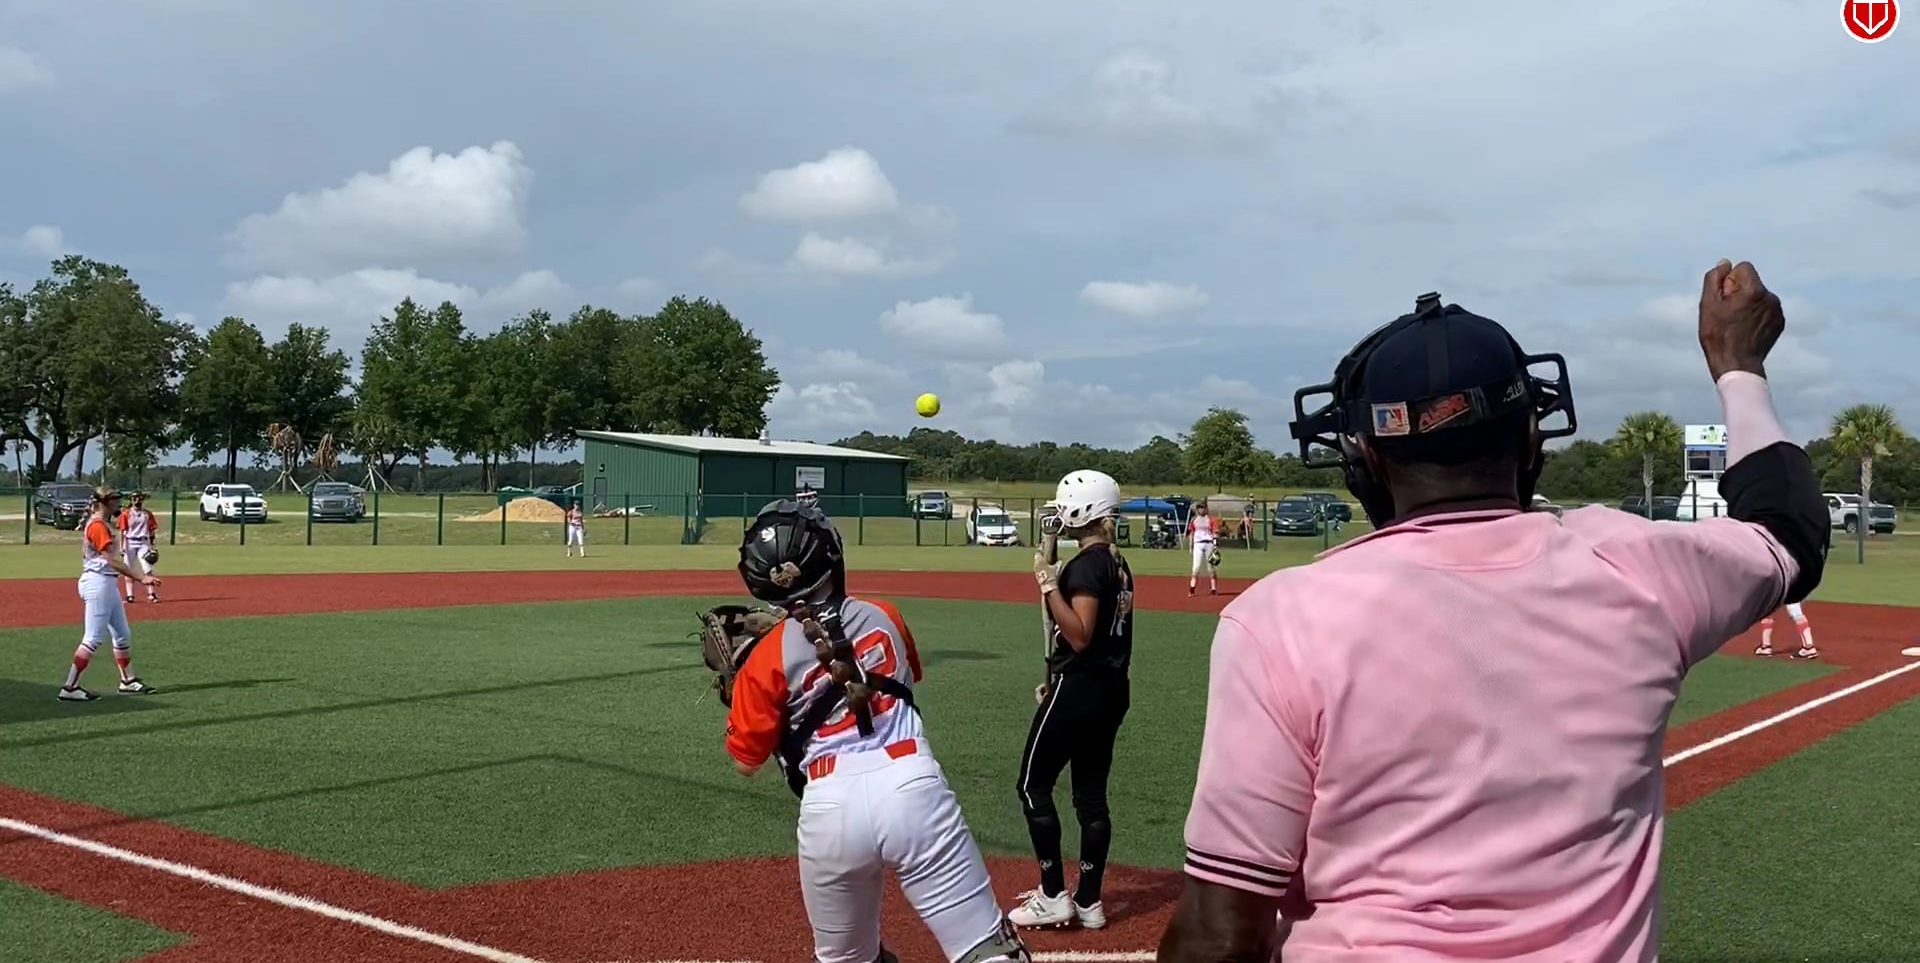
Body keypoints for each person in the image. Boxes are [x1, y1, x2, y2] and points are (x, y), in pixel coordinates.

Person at [1157, 261, 1829, 961]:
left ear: (1368, 457)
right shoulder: (1635, 566)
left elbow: (1219, 932)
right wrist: (1738, 365)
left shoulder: (1282, 618)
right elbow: (1789, 532)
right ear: (1532, 438)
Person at [724, 500, 1030, 963]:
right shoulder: (885, 613)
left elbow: (745, 762)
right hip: (913, 788)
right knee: (987, 951)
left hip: (828, 809)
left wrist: (749, 688)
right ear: (831, 556)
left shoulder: (764, 659)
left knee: (846, 959)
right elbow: (899, 676)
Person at [1009, 470, 1134, 932]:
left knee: (1032, 786)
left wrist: (1047, 584)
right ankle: (1088, 900)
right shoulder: (1117, 563)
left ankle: (1052, 895)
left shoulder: (1087, 566)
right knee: (1091, 798)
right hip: (1110, 690)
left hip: (1080, 686)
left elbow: (1079, 635)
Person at [60, 488, 162, 702]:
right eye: (114, 499)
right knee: (93, 638)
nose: (118, 503)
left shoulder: (103, 523)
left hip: (106, 583)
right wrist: (141, 577)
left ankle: (127, 681)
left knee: (122, 634)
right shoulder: (97, 525)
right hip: (98, 583)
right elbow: (111, 560)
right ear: (104, 502)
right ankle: (70, 687)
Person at [117, 490, 161, 604]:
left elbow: (152, 531)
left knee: (147, 568)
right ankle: (130, 595)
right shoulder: (126, 514)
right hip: (130, 542)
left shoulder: (147, 514)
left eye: (139, 498)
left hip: (143, 542)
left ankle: (151, 593)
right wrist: (121, 547)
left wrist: (153, 546)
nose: (137, 501)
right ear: (131, 500)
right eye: (134, 499)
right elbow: (122, 531)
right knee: (128, 569)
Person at [1186, 499, 1218, 596]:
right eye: (1199, 508)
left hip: (1209, 544)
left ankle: (1213, 588)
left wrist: (1215, 545)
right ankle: (1192, 588)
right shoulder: (1194, 520)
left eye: (1203, 507)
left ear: (1206, 509)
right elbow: (1191, 533)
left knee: (1210, 567)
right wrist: (1190, 546)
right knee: (1196, 567)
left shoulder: (1211, 519)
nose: (1201, 509)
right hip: (1198, 544)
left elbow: (1214, 533)